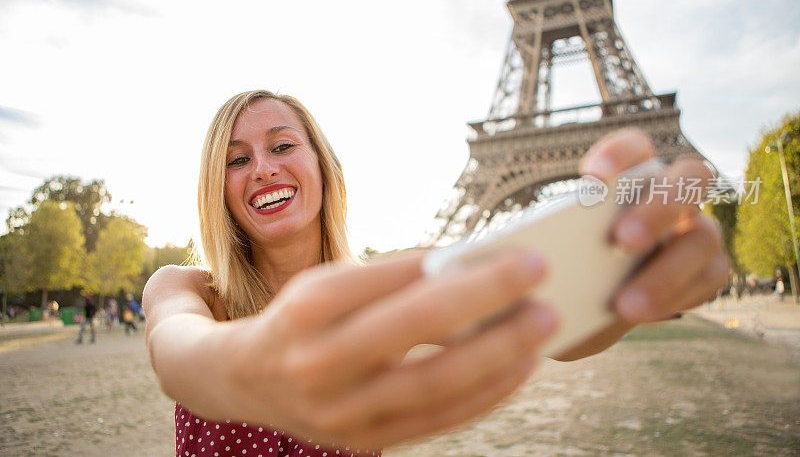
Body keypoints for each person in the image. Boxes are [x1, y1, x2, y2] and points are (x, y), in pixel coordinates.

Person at [143, 90, 728, 455]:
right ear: (216, 191)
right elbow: (178, 351)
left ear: (325, 168)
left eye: (282, 146)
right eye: (238, 159)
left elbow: (550, 328)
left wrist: (620, 275)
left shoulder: (381, 296)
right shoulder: (185, 287)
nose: (263, 169)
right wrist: (246, 367)